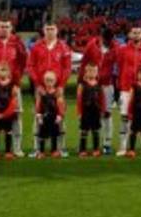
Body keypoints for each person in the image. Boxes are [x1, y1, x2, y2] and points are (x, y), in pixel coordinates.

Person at [0, 17, 28, 155]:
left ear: (11, 28)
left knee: (16, 116)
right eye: (2, 26)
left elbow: (22, 62)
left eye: (7, 26)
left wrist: (17, 82)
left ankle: (17, 148)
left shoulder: (17, 43)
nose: (4, 29)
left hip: (13, 85)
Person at [29, 22, 73, 156]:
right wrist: (38, 84)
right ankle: (37, 148)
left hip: (58, 88)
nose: (49, 31)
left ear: (57, 30)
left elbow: (67, 68)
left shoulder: (64, 47)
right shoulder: (36, 46)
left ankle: (61, 148)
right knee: (38, 115)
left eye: (52, 29)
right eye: (47, 29)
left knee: (60, 116)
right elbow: (31, 66)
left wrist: (61, 85)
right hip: (41, 88)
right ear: (43, 30)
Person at [115, 26, 141, 156]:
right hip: (127, 88)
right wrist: (122, 83)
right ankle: (123, 147)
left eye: (138, 32)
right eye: (134, 32)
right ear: (129, 34)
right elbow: (120, 67)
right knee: (125, 117)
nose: (136, 35)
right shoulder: (122, 50)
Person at [79, 26, 114, 154]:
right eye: (106, 40)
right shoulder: (91, 46)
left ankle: (107, 143)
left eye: (109, 41)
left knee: (107, 114)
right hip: (91, 84)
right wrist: (81, 81)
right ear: (101, 37)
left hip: (106, 85)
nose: (107, 43)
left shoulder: (115, 47)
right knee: (88, 112)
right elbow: (83, 63)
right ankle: (85, 146)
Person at [0, 62, 20, 160]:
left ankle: (8, 152)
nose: (0, 73)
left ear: (8, 72)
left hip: (7, 113)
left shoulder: (13, 86)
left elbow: (14, 102)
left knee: (8, 131)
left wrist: (6, 113)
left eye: (3, 70)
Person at [76, 62, 105, 156]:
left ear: (97, 72)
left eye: (94, 71)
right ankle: (82, 150)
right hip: (85, 111)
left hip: (96, 111)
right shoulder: (82, 85)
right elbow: (79, 100)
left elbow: (102, 99)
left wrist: (102, 110)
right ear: (86, 72)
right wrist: (79, 112)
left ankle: (96, 149)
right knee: (84, 131)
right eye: (90, 71)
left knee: (96, 130)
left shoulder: (99, 85)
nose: (92, 73)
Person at [34, 71, 65, 158]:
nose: (49, 83)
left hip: (54, 118)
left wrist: (59, 116)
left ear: (55, 81)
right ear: (44, 81)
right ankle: (41, 151)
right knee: (42, 134)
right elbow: (38, 105)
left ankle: (54, 150)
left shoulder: (57, 93)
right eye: (47, 80)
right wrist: (39, 115)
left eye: (51, 80)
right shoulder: (41, 93)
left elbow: (61, 106)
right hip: (44, 118)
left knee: (54, 134)